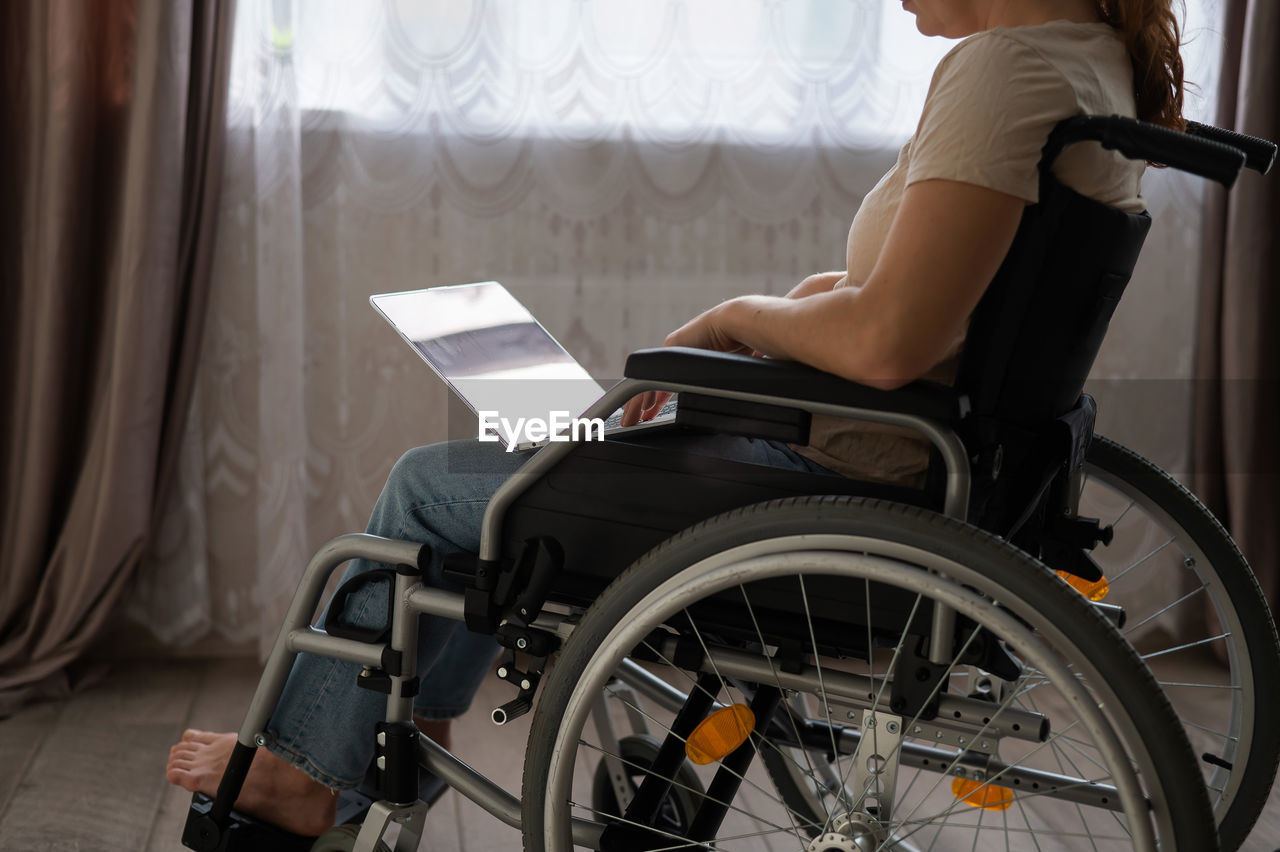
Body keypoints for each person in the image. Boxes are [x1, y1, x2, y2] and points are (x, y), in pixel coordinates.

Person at [165, 0, 1184, 836]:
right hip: (911, 457)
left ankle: (311, 777)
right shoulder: (1088, 59)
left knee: (428, 487)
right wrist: (768, 327)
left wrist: (741, 319)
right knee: (534, 441)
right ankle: (396, 730)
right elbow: (929, 299)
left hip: (842, 479)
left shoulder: (999, 69)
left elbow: (887, 346)